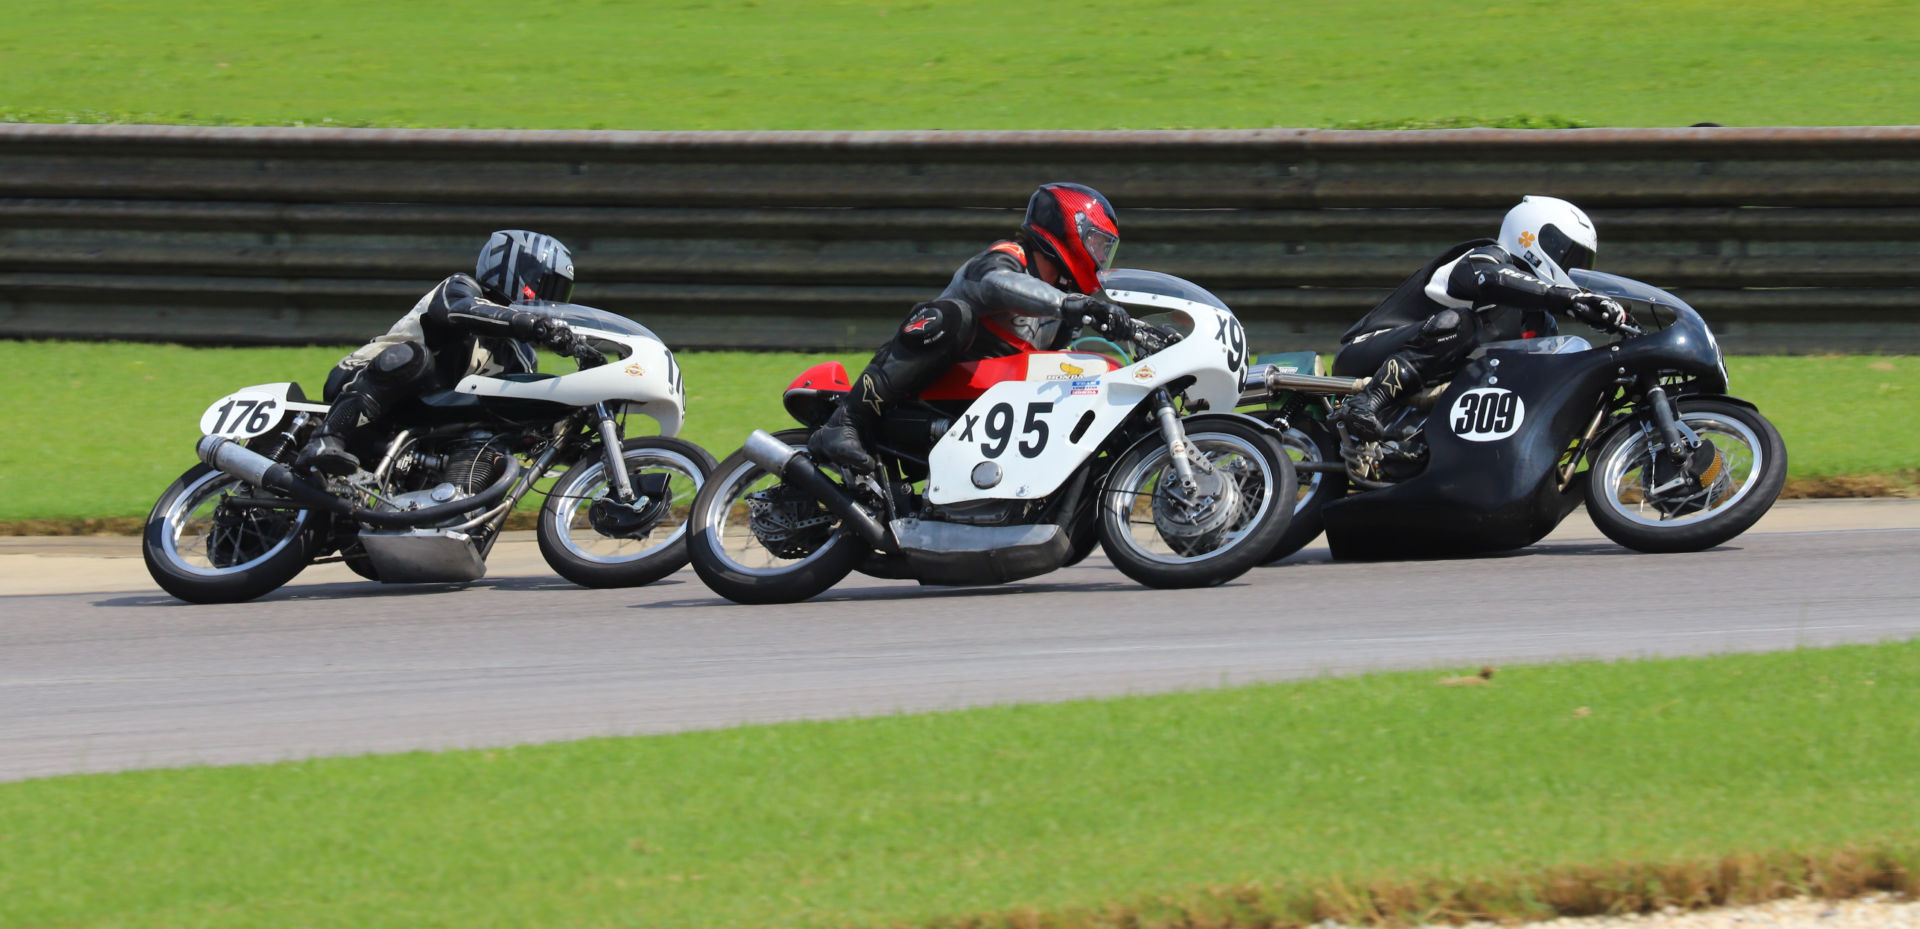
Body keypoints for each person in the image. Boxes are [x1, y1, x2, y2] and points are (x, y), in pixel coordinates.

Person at [809, 182, 1133, 474]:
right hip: (928, 379)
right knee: (952, 317)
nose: (1102, 255)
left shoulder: (1062, 308)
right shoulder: (1006, 258)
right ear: (1068, 231)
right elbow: (997, 285)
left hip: (979, 407)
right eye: (1098, 242)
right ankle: (846, 420)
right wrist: (1069, 305)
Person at [1330, 195, 1630, 441]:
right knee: (1458, 324)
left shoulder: (1538, 321)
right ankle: (1367, 401)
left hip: (1427, 387)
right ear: (1535, 238)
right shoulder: (1483, 258)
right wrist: (1569, 298)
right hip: (1367, 351)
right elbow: (1490, 279)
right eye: (1568, 255)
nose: (1571, 268)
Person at [295, 229, 594, 475]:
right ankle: (325, 439)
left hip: (421, 425)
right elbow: (460, 312)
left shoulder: (521, 356)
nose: (551, 302)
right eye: (548, 287)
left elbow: (527, 428)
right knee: (415, 358)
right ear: (520, 271)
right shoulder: (461, 289)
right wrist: (532, 324)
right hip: (362, 381)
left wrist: (582, 431)